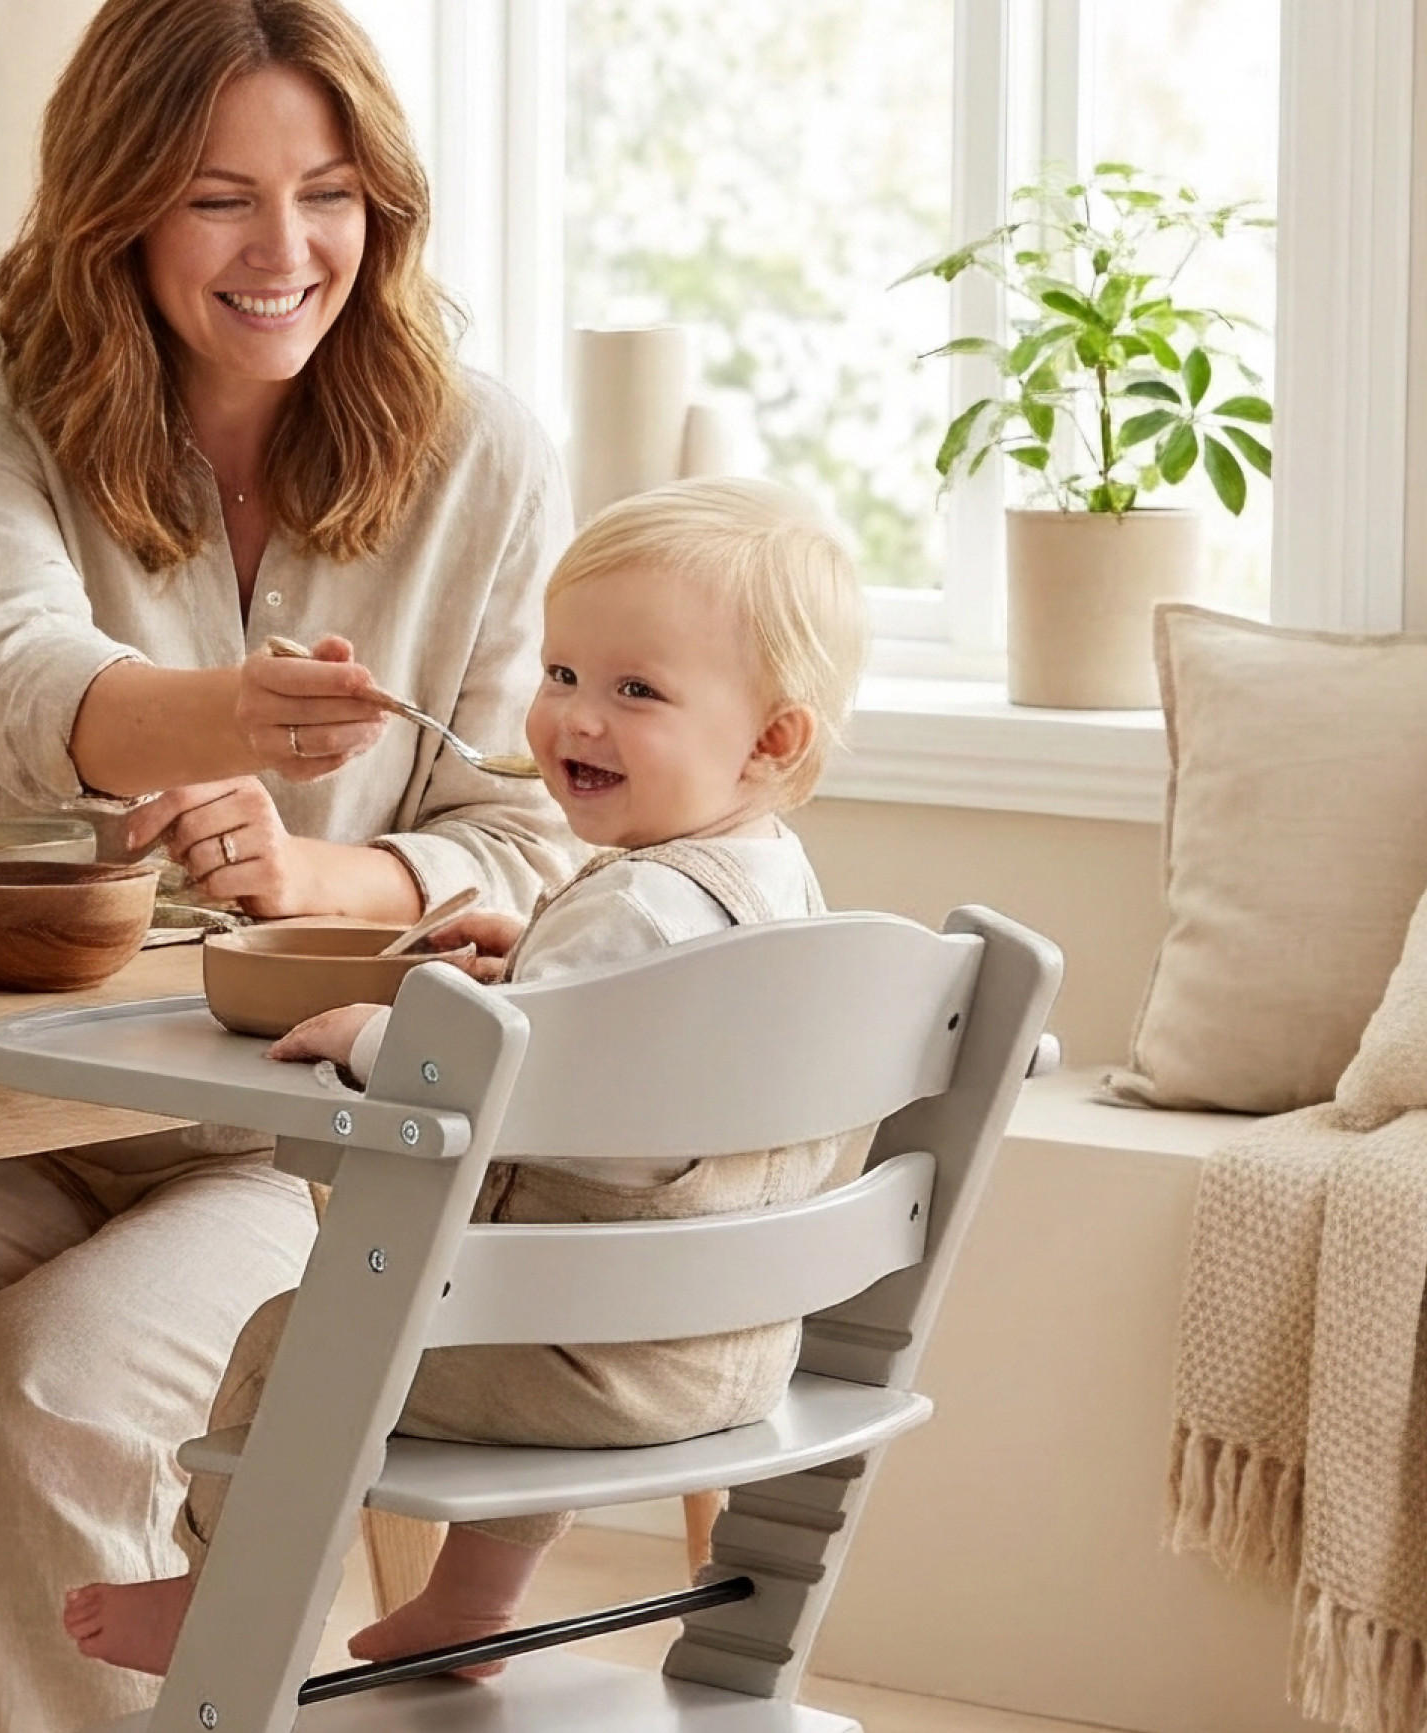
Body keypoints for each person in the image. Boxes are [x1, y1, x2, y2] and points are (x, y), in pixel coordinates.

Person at [0, 2, 577, 1728]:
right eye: (218, 196)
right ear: (120, 207)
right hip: (28, 1100)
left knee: (36, 1404)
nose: (285, 250)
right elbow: (20, 687)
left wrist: (325, 880)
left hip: (317, 1133)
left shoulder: (488, 452)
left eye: (328, 193)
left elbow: (531, 837)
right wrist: (239, 713)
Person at [63, 477, 877, 1678]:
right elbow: (623, 1052)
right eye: (560, 675)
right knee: (532, 1287)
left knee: (297, 1337)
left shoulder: (637, 910)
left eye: (633, 691)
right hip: (729, 1348)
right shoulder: (778, 887)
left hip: (582, 1358)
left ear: (771, 738)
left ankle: (215, 1590)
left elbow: (490, 1084)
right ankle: (471, 1600)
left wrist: (369, 1034)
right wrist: (530, 971)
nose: (573, 721)